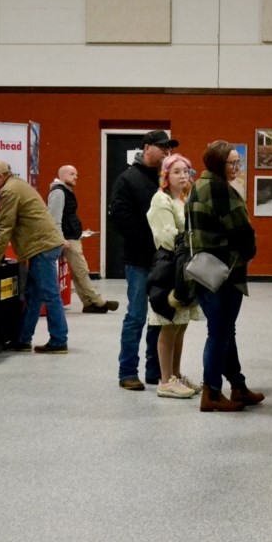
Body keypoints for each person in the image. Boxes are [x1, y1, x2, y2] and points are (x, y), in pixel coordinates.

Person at [187, 140, 261, 412]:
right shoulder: (222, 191)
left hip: (203, 270)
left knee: (224, 330)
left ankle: (237, 386)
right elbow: (242, 233)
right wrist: (250, 251)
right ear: (219, 164)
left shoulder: (198, 187)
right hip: (225, 272)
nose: (236, 167)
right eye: (232, 162)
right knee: (219, 333)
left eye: (238, 162)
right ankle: (212, 392)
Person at [0, 159, 68, 353]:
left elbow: (5, 227)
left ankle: (58, 340)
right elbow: (9, 216)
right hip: (45, 244)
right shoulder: (17, 185)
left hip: (42, 247)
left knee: (49, 294)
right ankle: (23, 339)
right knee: (34, 295)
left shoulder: (9, 190)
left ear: (0, 176)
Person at [110, 130, 175, 391]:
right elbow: (121, 218)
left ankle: (154, 370)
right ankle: (127, 372)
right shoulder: (127, 179)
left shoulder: (165, 180)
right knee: (136, 316)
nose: (166, 152)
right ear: (147, 148)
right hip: (139, 260)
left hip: (163, 260)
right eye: (162, 148)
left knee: (159, 317)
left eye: (169, 149)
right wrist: (151, 238)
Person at [146, 153, 203, 399]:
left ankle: (176, 375)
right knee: (168, 324)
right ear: (166, 175)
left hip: (185, 264)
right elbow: (168, 237)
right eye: (177, 171)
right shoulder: (161, 200)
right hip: (170, 266)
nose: (183, 176)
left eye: (186, 171)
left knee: (181, 325)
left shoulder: (184, 198)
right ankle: (165, 380)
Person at [47, 165, 119, 314]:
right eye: (72, 174)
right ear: (62, 175)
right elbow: (55, 218)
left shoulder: (65, 191)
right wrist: (60, 239)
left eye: (77, 174)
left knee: (79, 273)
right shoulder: (59, 193)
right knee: (82, 271)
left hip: (72, 237)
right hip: (67, 240)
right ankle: (99, 301)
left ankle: (88, 303)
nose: (76, 177)